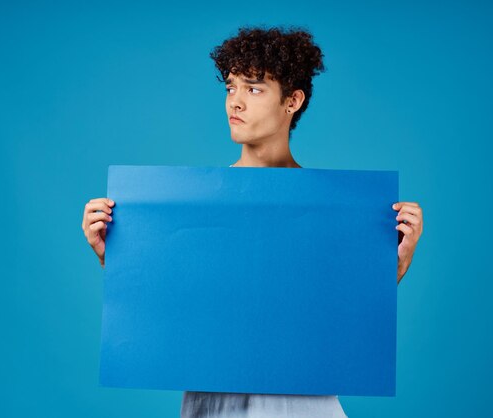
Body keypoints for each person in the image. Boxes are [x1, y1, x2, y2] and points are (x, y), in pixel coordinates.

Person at [81, 26, 424, 418]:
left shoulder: (336, 212)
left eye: (254, 88)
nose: (235, 103)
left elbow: (333, 313)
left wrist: (390, 269)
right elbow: (180, 306)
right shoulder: (191, 205)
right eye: (230, 88)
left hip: (302, 405)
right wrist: (120, 258)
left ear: (292, 100)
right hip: (213, 403)